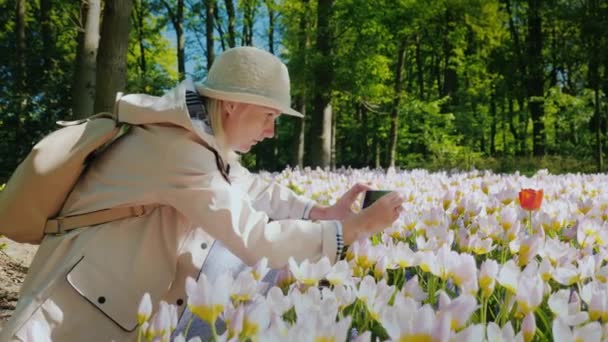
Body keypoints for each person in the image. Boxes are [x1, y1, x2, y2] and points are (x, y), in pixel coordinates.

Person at [0, 46, 404, 341]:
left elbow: (252, 187)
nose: (271, 131)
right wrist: (351, 230)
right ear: (232, 105)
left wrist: (321, 212)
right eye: (269, 116)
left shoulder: (196, 141)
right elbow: (255, 238)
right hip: (66, 319)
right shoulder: (178, 150)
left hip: (99, 300)